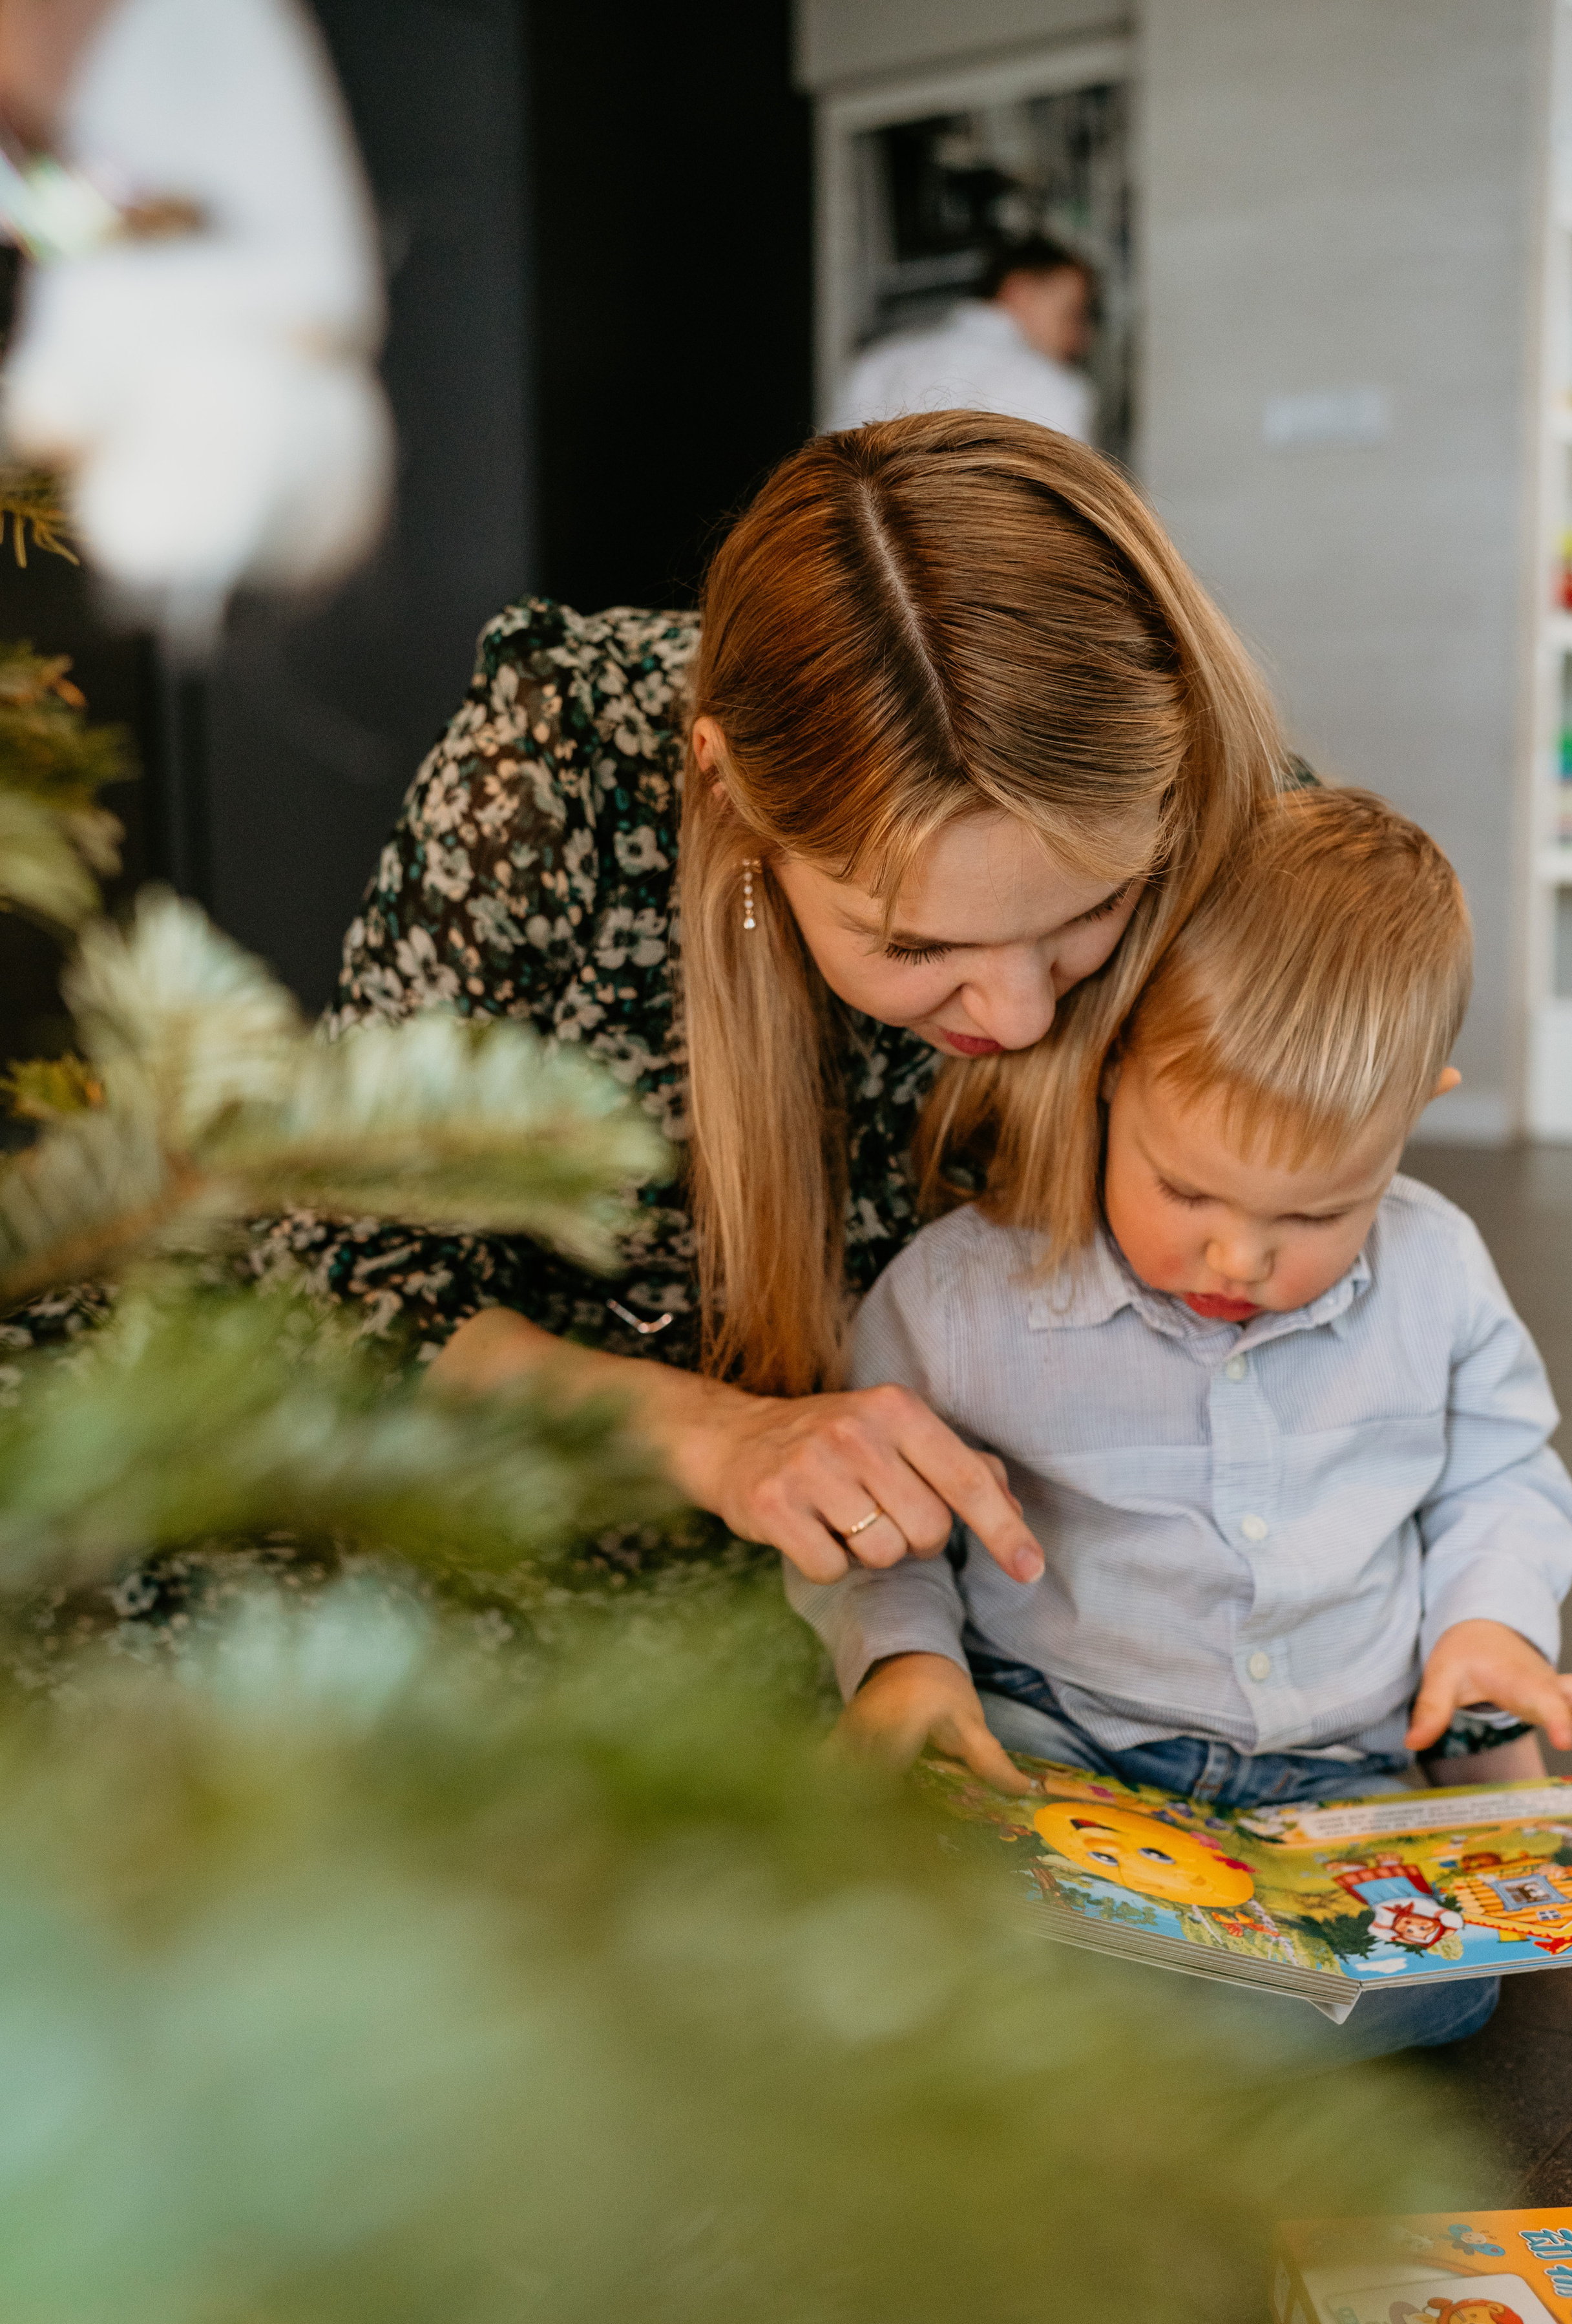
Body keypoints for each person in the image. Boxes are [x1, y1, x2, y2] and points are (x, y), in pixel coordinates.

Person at [262, 411, 1284, 1609]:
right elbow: (344, 1280)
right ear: (724, 789)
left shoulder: (1199, 776)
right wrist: (720, 1437)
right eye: (917, 944)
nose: (1016, 1019)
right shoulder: (558, 776)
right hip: (568, 1520)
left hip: (1022, 1572)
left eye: (1093, 910)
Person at [792, 788, 1572, 2055]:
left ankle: (1143, 2018)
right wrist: (907, 1663)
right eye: (1185, 1189)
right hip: (1062, 1740)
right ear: (1113, 1065)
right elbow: (885, 1527)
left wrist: (1488, 1630)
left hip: (1335, 1768)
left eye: (1316, 1214)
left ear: (1413, 1111)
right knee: (891, 1888)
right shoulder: (960, 1298)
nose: (1238, 1257)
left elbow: (1500, 1479)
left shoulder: (1439, 1272)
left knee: (1445, 1982)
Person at [829, 236, 1097, 445]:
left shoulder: (882, 362)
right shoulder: (1051, 387)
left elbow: (834, 474)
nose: (1080, 339)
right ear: (1020, 291)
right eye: (1071, 315)